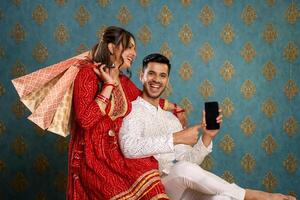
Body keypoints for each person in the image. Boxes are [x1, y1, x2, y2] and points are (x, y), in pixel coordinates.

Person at [119, 53, 296, 200]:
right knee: (182, 169)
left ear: (167, 80)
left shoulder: (171, 119)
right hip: (151, 188)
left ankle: (240, 195)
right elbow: (128, 147)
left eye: (162, 75)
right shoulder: (131, 111)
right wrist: (176, 138)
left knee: (223, 198)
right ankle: (252, 195)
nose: (156, 80)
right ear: (142, 75)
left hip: (178, 185)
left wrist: (207, 137)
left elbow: (189, 163)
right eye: (151, 73)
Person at [67, 27, 187, 199]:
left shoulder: (123, 81)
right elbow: (85, 120)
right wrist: (108, 85)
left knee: (154, 189)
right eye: (129, 47)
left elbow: (144, 98)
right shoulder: (88, 74)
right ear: (111, 48)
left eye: (134, 48)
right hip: (92, 158)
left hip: (119, 155)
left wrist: (176, 108)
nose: (134, 53)